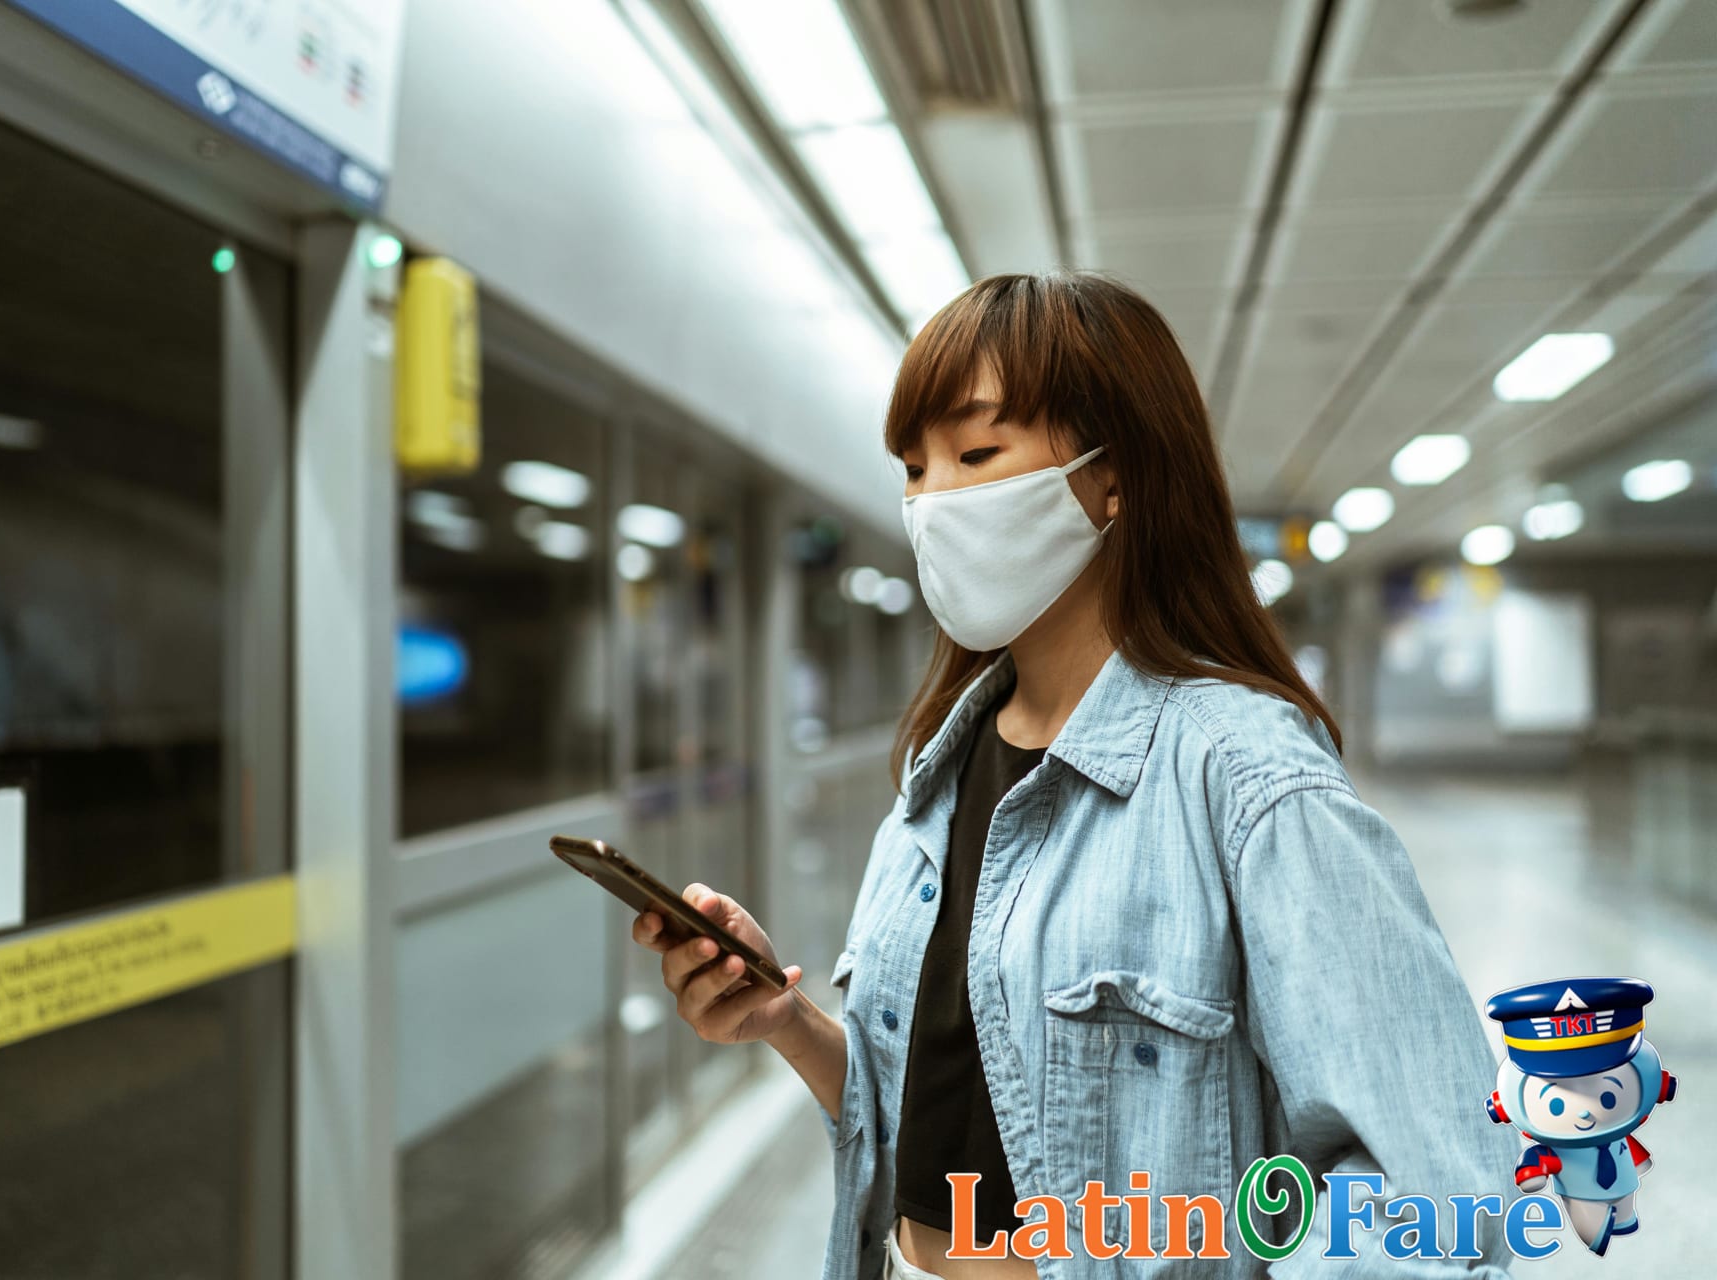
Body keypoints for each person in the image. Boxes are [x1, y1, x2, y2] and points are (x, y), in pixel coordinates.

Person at [630, 272, 1516, 1279]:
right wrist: (786, 1023)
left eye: (974, 453)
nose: (931, 502)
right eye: (913, 467)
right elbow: (956, 1119)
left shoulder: (1249, 777)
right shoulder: (942, 770)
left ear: (1113, 477)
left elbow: (1430, 1198)